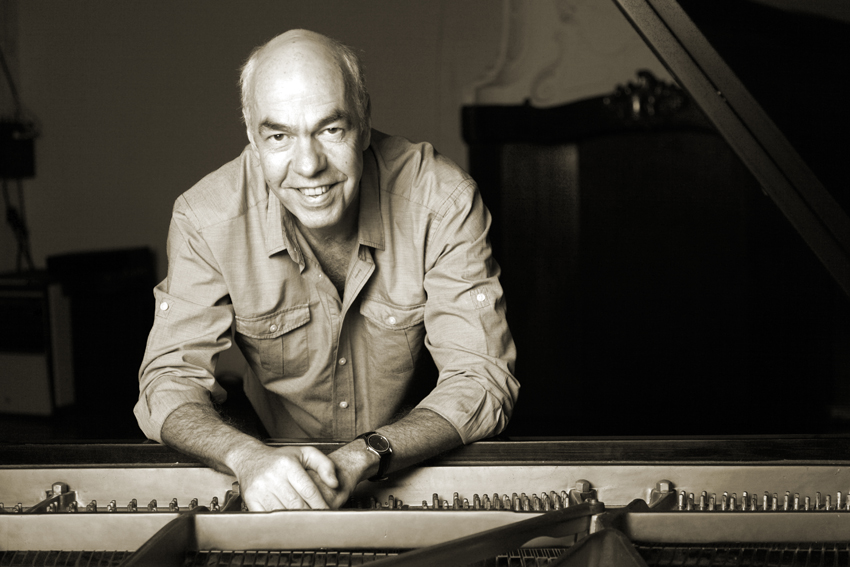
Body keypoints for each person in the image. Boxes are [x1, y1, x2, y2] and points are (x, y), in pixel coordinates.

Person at [134, 29, 518, 512]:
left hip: (417, 473)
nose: (309, 165)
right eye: (279, 136)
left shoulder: (442, 201)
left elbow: (481, 378)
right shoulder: (205, 218)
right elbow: (169, 382)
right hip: (271, 476)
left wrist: (364, 454)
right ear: (252, 137)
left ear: (363, 121)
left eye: (330, 130)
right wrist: (244, 457)